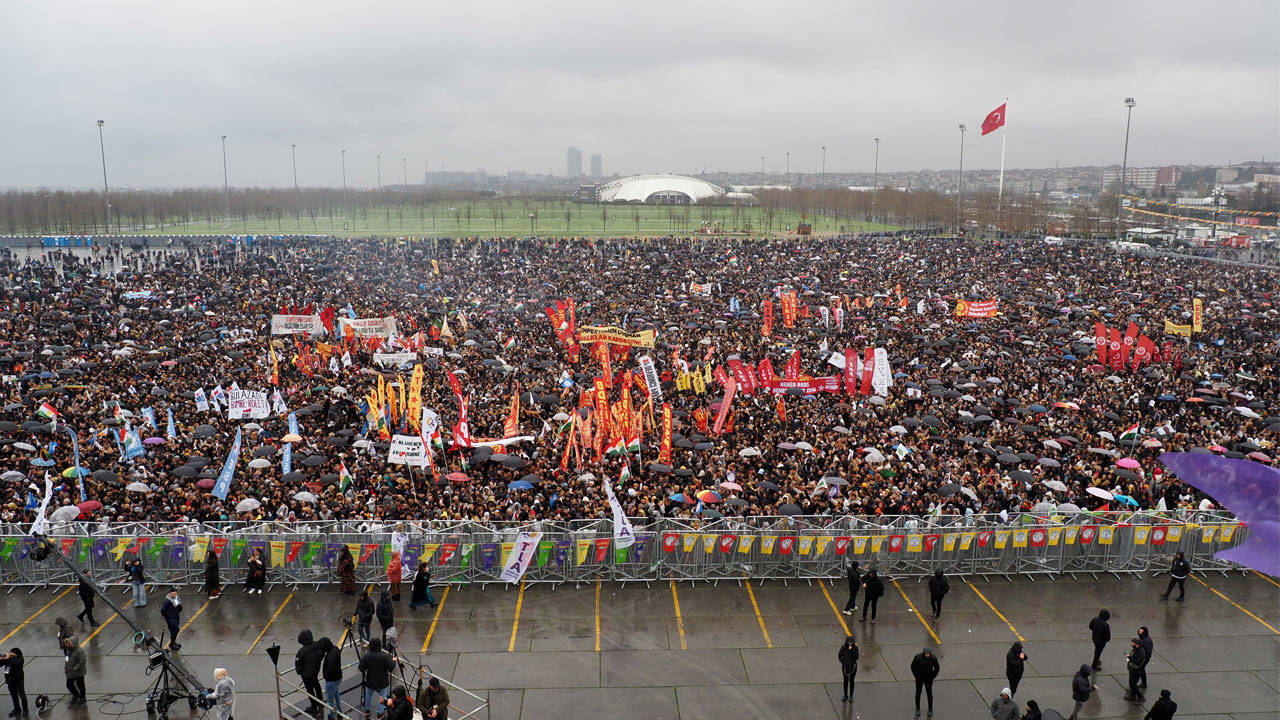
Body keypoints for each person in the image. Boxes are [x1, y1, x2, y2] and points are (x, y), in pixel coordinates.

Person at [357, 638, 396, 717]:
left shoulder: (367, 656)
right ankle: (380, 713)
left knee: (368, 695)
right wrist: (394, 661)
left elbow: (361, 668)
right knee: (383, 696)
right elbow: (391, 667)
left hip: (370, 681)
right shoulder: (384, 656)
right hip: (382, 682)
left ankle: (367, 710)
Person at [294, 630, 326, 715]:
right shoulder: (318, 645)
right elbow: (322, 653)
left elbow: (298, 664)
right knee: (316, 685)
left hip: (306, 675)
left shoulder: (301, 651)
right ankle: (320, 702)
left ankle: (314, 706)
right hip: (315, 671)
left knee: (310, 690)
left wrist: (300, 671)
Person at [909, 647, 939, 717]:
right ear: (923, 653)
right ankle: (917, 708)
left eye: (928, 654)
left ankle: (930, 709)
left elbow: (937, 668)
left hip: (928, 679)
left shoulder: (934, 658)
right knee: (918, 693)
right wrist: (916, 676)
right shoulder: (917, 657)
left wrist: (932, 677)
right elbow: (913, 667)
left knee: (929, 694)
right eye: (926, 654)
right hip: (919, 679)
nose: (927, 655)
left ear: (930, 653)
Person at [320, 636, 342, 720]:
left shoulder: (330, 657)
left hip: (331, 681)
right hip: (338, 678)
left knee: (330, 700)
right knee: (336, 695)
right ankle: (340, 712)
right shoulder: (335, 649)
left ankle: (332, 716)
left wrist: (325, 675)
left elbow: (330, 670)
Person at [1, 647, 28, 718]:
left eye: (12, 654)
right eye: (10, 653)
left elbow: (17, 664)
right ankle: (17, 709)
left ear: (16, 654)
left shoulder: (20, 659)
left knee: (22, 696)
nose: (10, 654)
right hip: (10, 682)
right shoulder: (8, 659)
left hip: (18, 681)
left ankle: (25, 710)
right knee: (14, 696)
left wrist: (8, 658)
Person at [63, 636, 86, 706]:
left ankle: (82, 697)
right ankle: (76, 695)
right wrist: (66, 667)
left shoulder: (79, 651)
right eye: (67, 644)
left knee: (80, 685)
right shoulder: (69, 650)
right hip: (70, 672)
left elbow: (82, 661)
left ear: (74, 643)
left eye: (69, 643)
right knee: (69, 685)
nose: (68, 645)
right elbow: (67, 659)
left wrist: (75, 669)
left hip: (79, 672)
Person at [1124, 637, 1147, 702]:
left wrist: (1129, 657)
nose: (1132, 644)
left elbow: (1137, 662)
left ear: (1137, 644)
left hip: (1136, 671)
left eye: (1133, 643)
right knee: (1131, 683)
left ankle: (1140, 697)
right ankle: (1132, 695)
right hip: (1132, 669)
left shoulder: (1141, 652)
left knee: (1133, 684)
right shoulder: (1136, 649)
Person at [837, 635, 858, 702]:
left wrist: (851, 651)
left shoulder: (855, 648)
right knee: (845, 681)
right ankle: (845, 695)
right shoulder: (843, 647)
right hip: (845, 667)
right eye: (849, 642)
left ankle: (851, 696)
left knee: (852, 681)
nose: (850, 644)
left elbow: (857, 657)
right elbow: (839, 655)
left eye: (851, 642)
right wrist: (842, 662)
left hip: (853, 667)